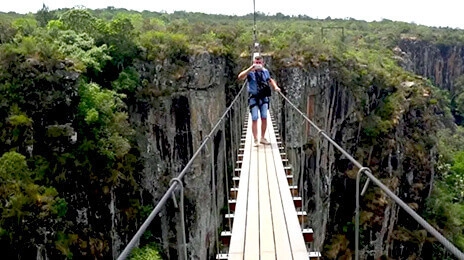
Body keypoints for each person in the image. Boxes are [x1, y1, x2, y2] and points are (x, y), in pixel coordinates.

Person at [238, 56, 281, 146]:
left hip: (264, 98)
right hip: (253, 98)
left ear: (263, 63)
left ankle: (262, 138)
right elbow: (240, 77)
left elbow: (270, 80)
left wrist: (275, 87)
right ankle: (255, 139)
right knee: (254, 118)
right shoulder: (250, 73)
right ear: (253, 63)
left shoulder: (265, 71)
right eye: (256, 63)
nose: (258, 65)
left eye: (259, 63)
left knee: (264, 117)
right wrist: (250, 68)